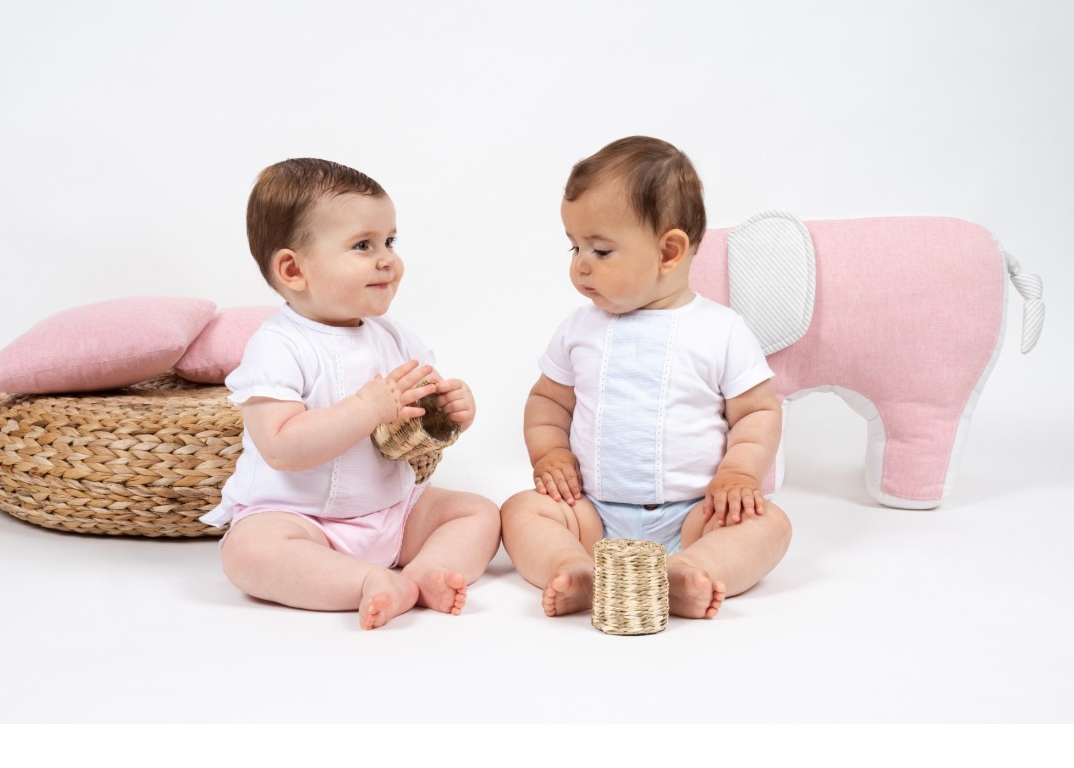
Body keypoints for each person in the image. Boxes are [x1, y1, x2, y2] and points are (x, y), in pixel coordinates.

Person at [501, 136, 792, 619]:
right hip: (592, 513)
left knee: (771, 525)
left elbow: (757, 412)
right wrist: (549, 453)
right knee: (519, 511)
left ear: (669, 252)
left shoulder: (721, 329)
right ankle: (574, 568)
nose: (580, 265)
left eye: (600, 249)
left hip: (695, 515)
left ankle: (690, 569)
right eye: (575, 246)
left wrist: (739, 473)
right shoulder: (579, 328)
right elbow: (548, 402)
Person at [203, 157, 500, 630]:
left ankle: (428, 569)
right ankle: (366, 581)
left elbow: (425, 406)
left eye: (390, 241)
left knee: (477, 512)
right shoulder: (278, 344)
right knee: (247, 553)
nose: (387, 259)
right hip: (299, 520)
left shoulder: (391, 334)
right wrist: (365, 409)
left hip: (393, 511)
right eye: (363, 245)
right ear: (293, 269)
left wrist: (454, 407)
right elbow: (279, 447)